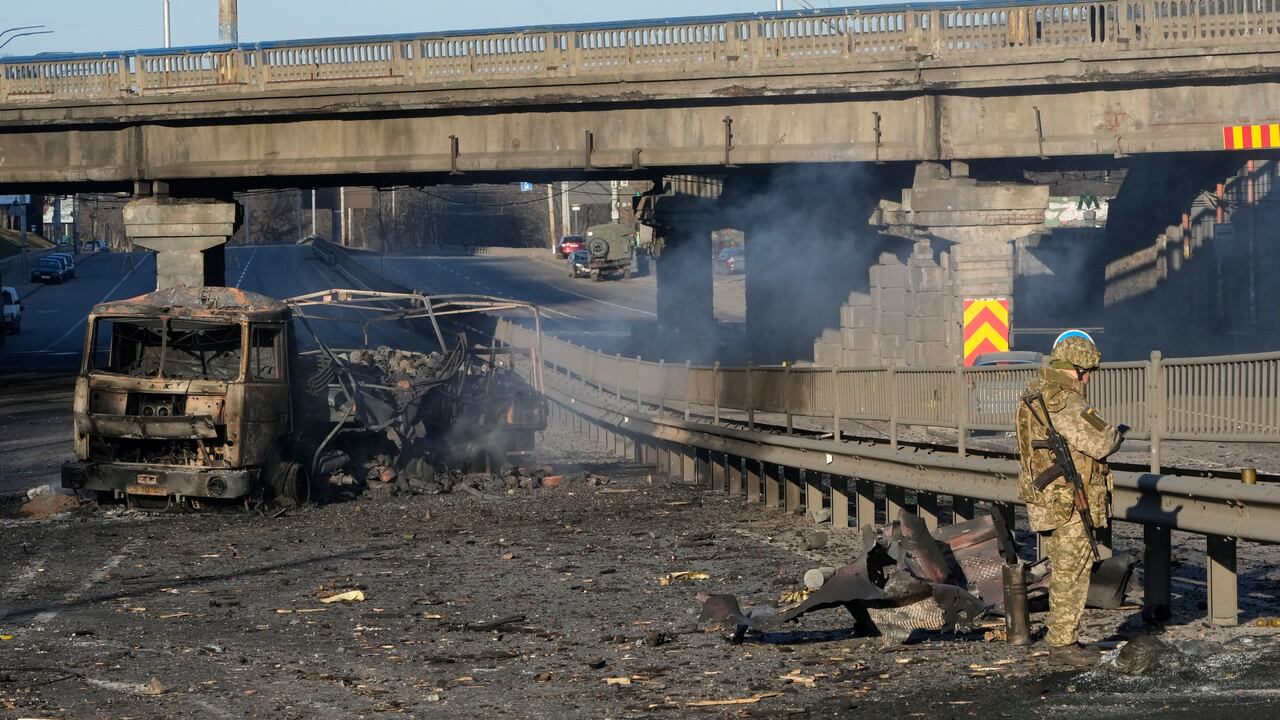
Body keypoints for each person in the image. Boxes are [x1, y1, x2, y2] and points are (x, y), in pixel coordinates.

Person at [1014, 330, 1124, 666]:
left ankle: (1061, 639)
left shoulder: (1033, 395)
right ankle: (1062, 645)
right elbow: (1101, 442)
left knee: (1063, 569)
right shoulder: (1066, 400)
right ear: (1074, 368)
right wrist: (1117, 434)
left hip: (1047, 498)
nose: (1088, 378)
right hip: (1068, 503)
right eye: (1085, 371)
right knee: (1071, 571)